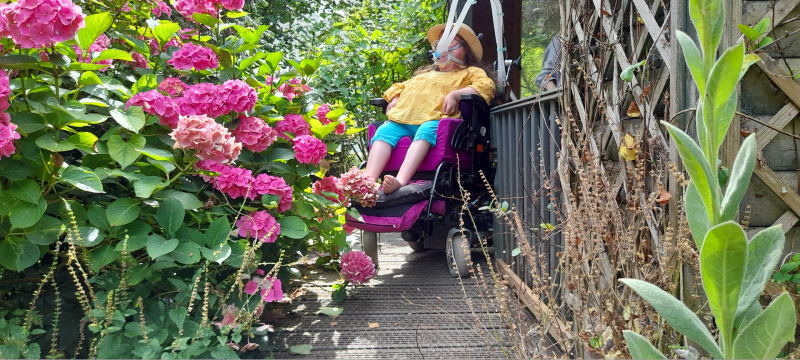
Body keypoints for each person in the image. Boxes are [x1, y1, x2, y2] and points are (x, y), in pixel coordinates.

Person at [364, 23, 496, 194]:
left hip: (436, 119)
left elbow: (485, 86)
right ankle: (367, 181)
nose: (445, 50)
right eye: (441, 46)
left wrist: (455, 94)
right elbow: (398, 87)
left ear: (466, 50)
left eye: (451, 45)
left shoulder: (470, 72)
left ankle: (401, 180)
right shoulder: (424, 76)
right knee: (384, 130)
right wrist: (395, 99)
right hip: (404, 119)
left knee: (427, 129)